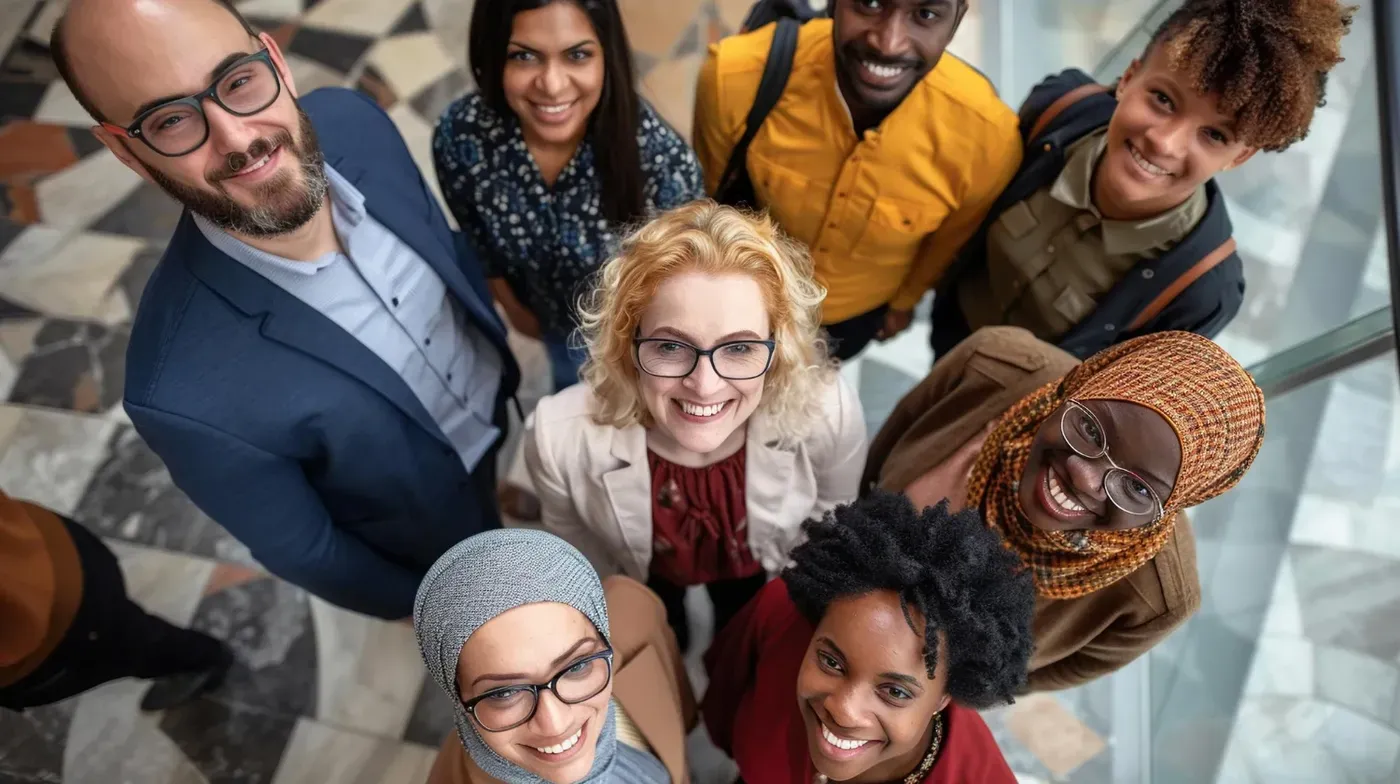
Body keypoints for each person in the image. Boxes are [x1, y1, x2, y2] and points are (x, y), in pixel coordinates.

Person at [48, 0, 519, 620]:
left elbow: (443, 247)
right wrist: (439, 610)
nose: (240, 138)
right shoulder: (179, 395)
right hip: (427, 531)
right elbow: (313, 552)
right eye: (169, 122)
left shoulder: (355, 121)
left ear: (275, 62)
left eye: (238, 81)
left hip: (495, 406)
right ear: (128, 153)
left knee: (503, 482)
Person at [523, 202, 867, 650]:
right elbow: (580, 556)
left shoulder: (829, 412)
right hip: (644, 572)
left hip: (758, 565)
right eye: (670, 346)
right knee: (663, 632)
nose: (704, 386)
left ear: (777, 349)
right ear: (628, 344)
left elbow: (829, 521)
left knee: (739, 628)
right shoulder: (556, 437)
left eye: (739, 348)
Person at [930, 0, 1356, 360]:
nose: (1165, 143)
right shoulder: (1058, 109)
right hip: (949, 331)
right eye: (1163, 99)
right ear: (1129, 78)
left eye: (1214, 135)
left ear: (1240, 157)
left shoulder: (1203, 291)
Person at [864, 326, 1266, 691]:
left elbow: (1033, 676)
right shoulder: (992, 365)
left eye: (1136, 488)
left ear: (1177, 503)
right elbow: (878, 462)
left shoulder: (1155, 601)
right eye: (1090, 428)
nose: (1084, 476)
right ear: (1077, 387)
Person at [692, 0, 1021, 360]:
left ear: (958, 19)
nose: (888, 43)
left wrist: (902, 304)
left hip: (853, 319)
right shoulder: (735, 77)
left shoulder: (988, 140)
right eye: (871, 3)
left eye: (926, 14)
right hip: (747, 299)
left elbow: (945, 246)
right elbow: (711, 203)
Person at [435, 0, 705, 394]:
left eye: (577, 55)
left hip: (635, 339)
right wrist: (511, 305)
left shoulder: (662, 161)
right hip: (552, 326)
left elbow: (688, 283)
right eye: (524, 56)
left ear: (606, 56)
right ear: (493, 56)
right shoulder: (461, 136)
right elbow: (476, 235)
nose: (553, 85)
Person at [702, 491, 1033, 784]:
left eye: (895, 692)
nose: (844, 712)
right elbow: (724, 696)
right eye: (831, 662)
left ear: (943, 699)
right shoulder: (780, 615)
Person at [415, 528, 693, 784]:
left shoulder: (636, 613)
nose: (555, 724)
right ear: (459, 696)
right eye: (504, 694)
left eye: (577, 666)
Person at [0, 490, 232, 712]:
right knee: (130, 633)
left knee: (137, 643)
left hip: (55, 621)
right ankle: (194, 656)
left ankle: (202, 659)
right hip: (38, 539)